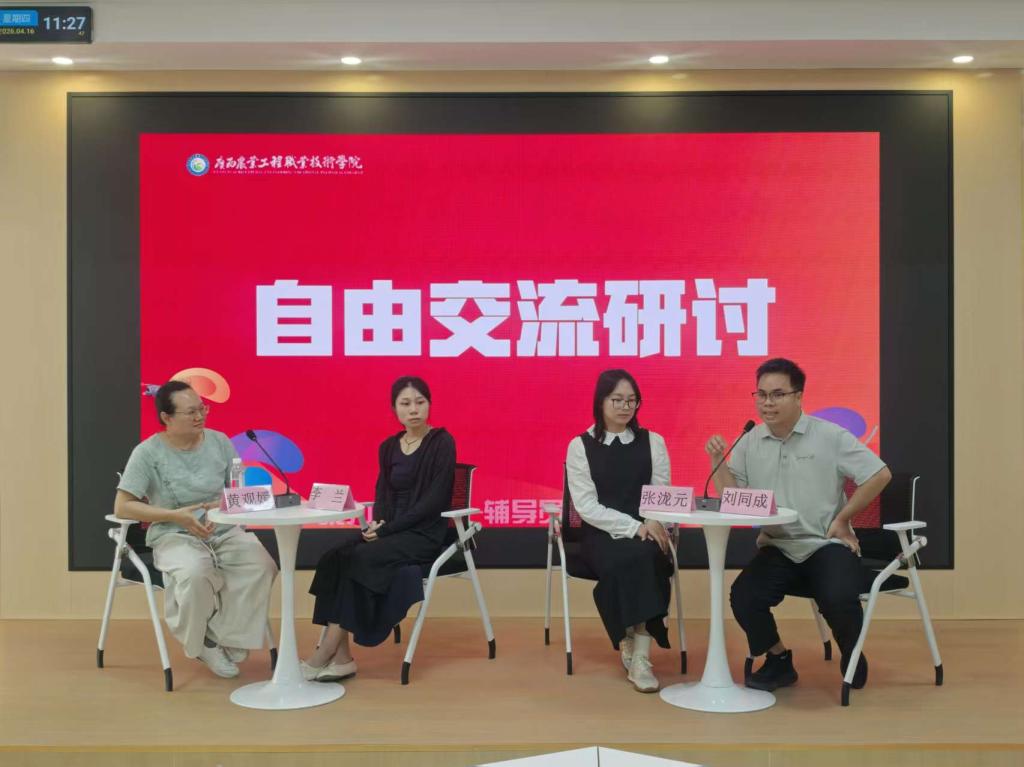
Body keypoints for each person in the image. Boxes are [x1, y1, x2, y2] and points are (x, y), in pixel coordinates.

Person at [705, 357, 891, 693]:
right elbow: (734, 498)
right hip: (779, 546)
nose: (767, 403)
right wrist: (718, 460)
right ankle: (778, 659)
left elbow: (879, 474)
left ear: (799, 396)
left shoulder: (829, 435)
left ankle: (851, 653)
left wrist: (843, 518)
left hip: (825, 543)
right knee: (744, 596)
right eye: (761, 395)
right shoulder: (749, 440)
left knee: (838, 595)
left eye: (778, 394)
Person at [113, 380, 278, 678]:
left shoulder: (220, 442)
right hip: (174, 533)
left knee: (261, 565)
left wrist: (223, 508)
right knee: (195, 572)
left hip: (223, 529)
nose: (200, 416)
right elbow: (123, 507)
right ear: (166, 417)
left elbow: (237, 492)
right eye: (191, 412)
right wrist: (175, 516)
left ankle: (224, 635)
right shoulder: (147, 453)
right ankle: (203, 643)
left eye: (202, 408)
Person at [304, 376, 456, 681]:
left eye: (420, 402)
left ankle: (327, 650)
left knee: (361, 557)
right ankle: (343, 658)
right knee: (335, 557)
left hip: (424, 534)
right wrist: (379, 522)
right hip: (392, 531)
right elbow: (383, 492)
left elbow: (434, 501)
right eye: (405, 403)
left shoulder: (441, 442)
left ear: (429, 404)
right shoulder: (388, 446)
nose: (414, 409)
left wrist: (388, 531)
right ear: (394, 409)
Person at [565, 369, 674, 693]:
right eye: (617, 400)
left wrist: (652, 522)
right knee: (630, 560)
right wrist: (633, 527)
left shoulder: (653, 442)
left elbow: (661, 493)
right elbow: (586, 506)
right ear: (601, 402)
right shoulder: (580, 446)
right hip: (601, 534)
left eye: (632, 400)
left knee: (649, 558)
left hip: (648, 531)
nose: (626, 407)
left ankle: (640, 655)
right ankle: (627, 636)